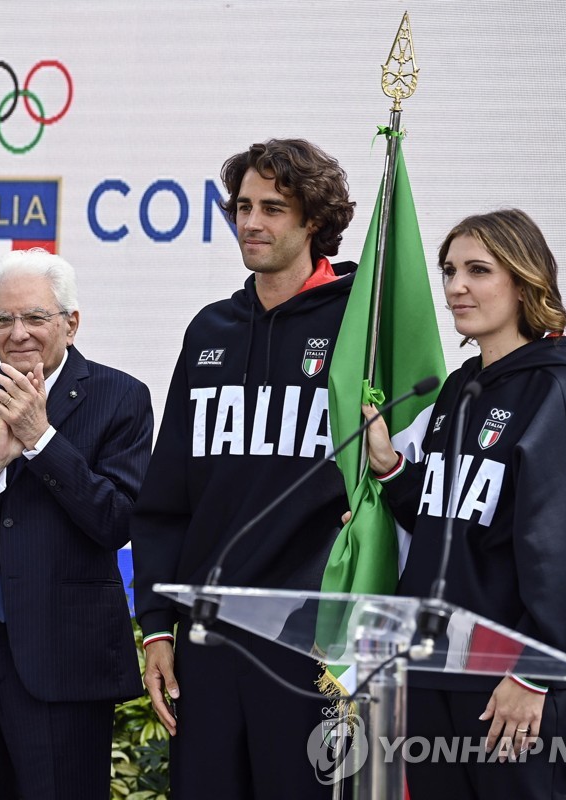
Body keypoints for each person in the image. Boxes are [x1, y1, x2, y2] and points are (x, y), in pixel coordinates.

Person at [131, 138, 357, 798]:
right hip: (207, 642)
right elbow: (167, 496)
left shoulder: (360, 326)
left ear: (314, 220)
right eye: (243, 206)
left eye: (274, 209)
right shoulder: (211, 330)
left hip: (312, 646)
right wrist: (155, 628)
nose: (251, 223)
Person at [363, 208, 566, 799]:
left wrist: (534, 673)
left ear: (526, 283)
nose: (456, 287)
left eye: (478, 270)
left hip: (511, 680)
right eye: (449, 270)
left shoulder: (562, 392)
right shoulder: (458, 387)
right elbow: (450, 523)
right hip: (434, 668)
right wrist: (394, 471)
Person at [0, 248, 153, 799]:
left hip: (64, 657)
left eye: (35, 317)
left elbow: (116, 520)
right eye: (3, 319)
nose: (18, 333)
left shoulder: (121, 398)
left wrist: (41, 441)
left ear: (70, 322)